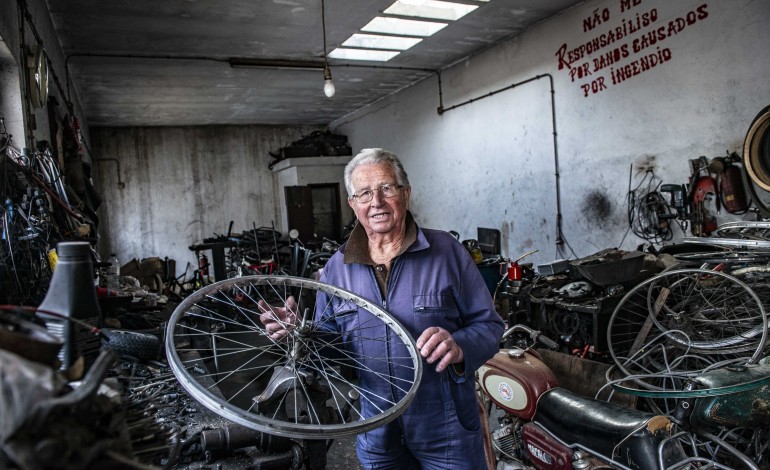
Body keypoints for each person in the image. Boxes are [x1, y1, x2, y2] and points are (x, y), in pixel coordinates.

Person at [260, 148, 504, 469]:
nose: (376, 201)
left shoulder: (447, 252)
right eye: (363, 193)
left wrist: (459, 346)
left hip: (446, 428)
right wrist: (300, 335)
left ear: (406, 193)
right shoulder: (338, 268)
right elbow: (330, 350)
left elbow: (489, 326)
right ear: (353, 204)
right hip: (376, 430)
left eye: (387, 188)